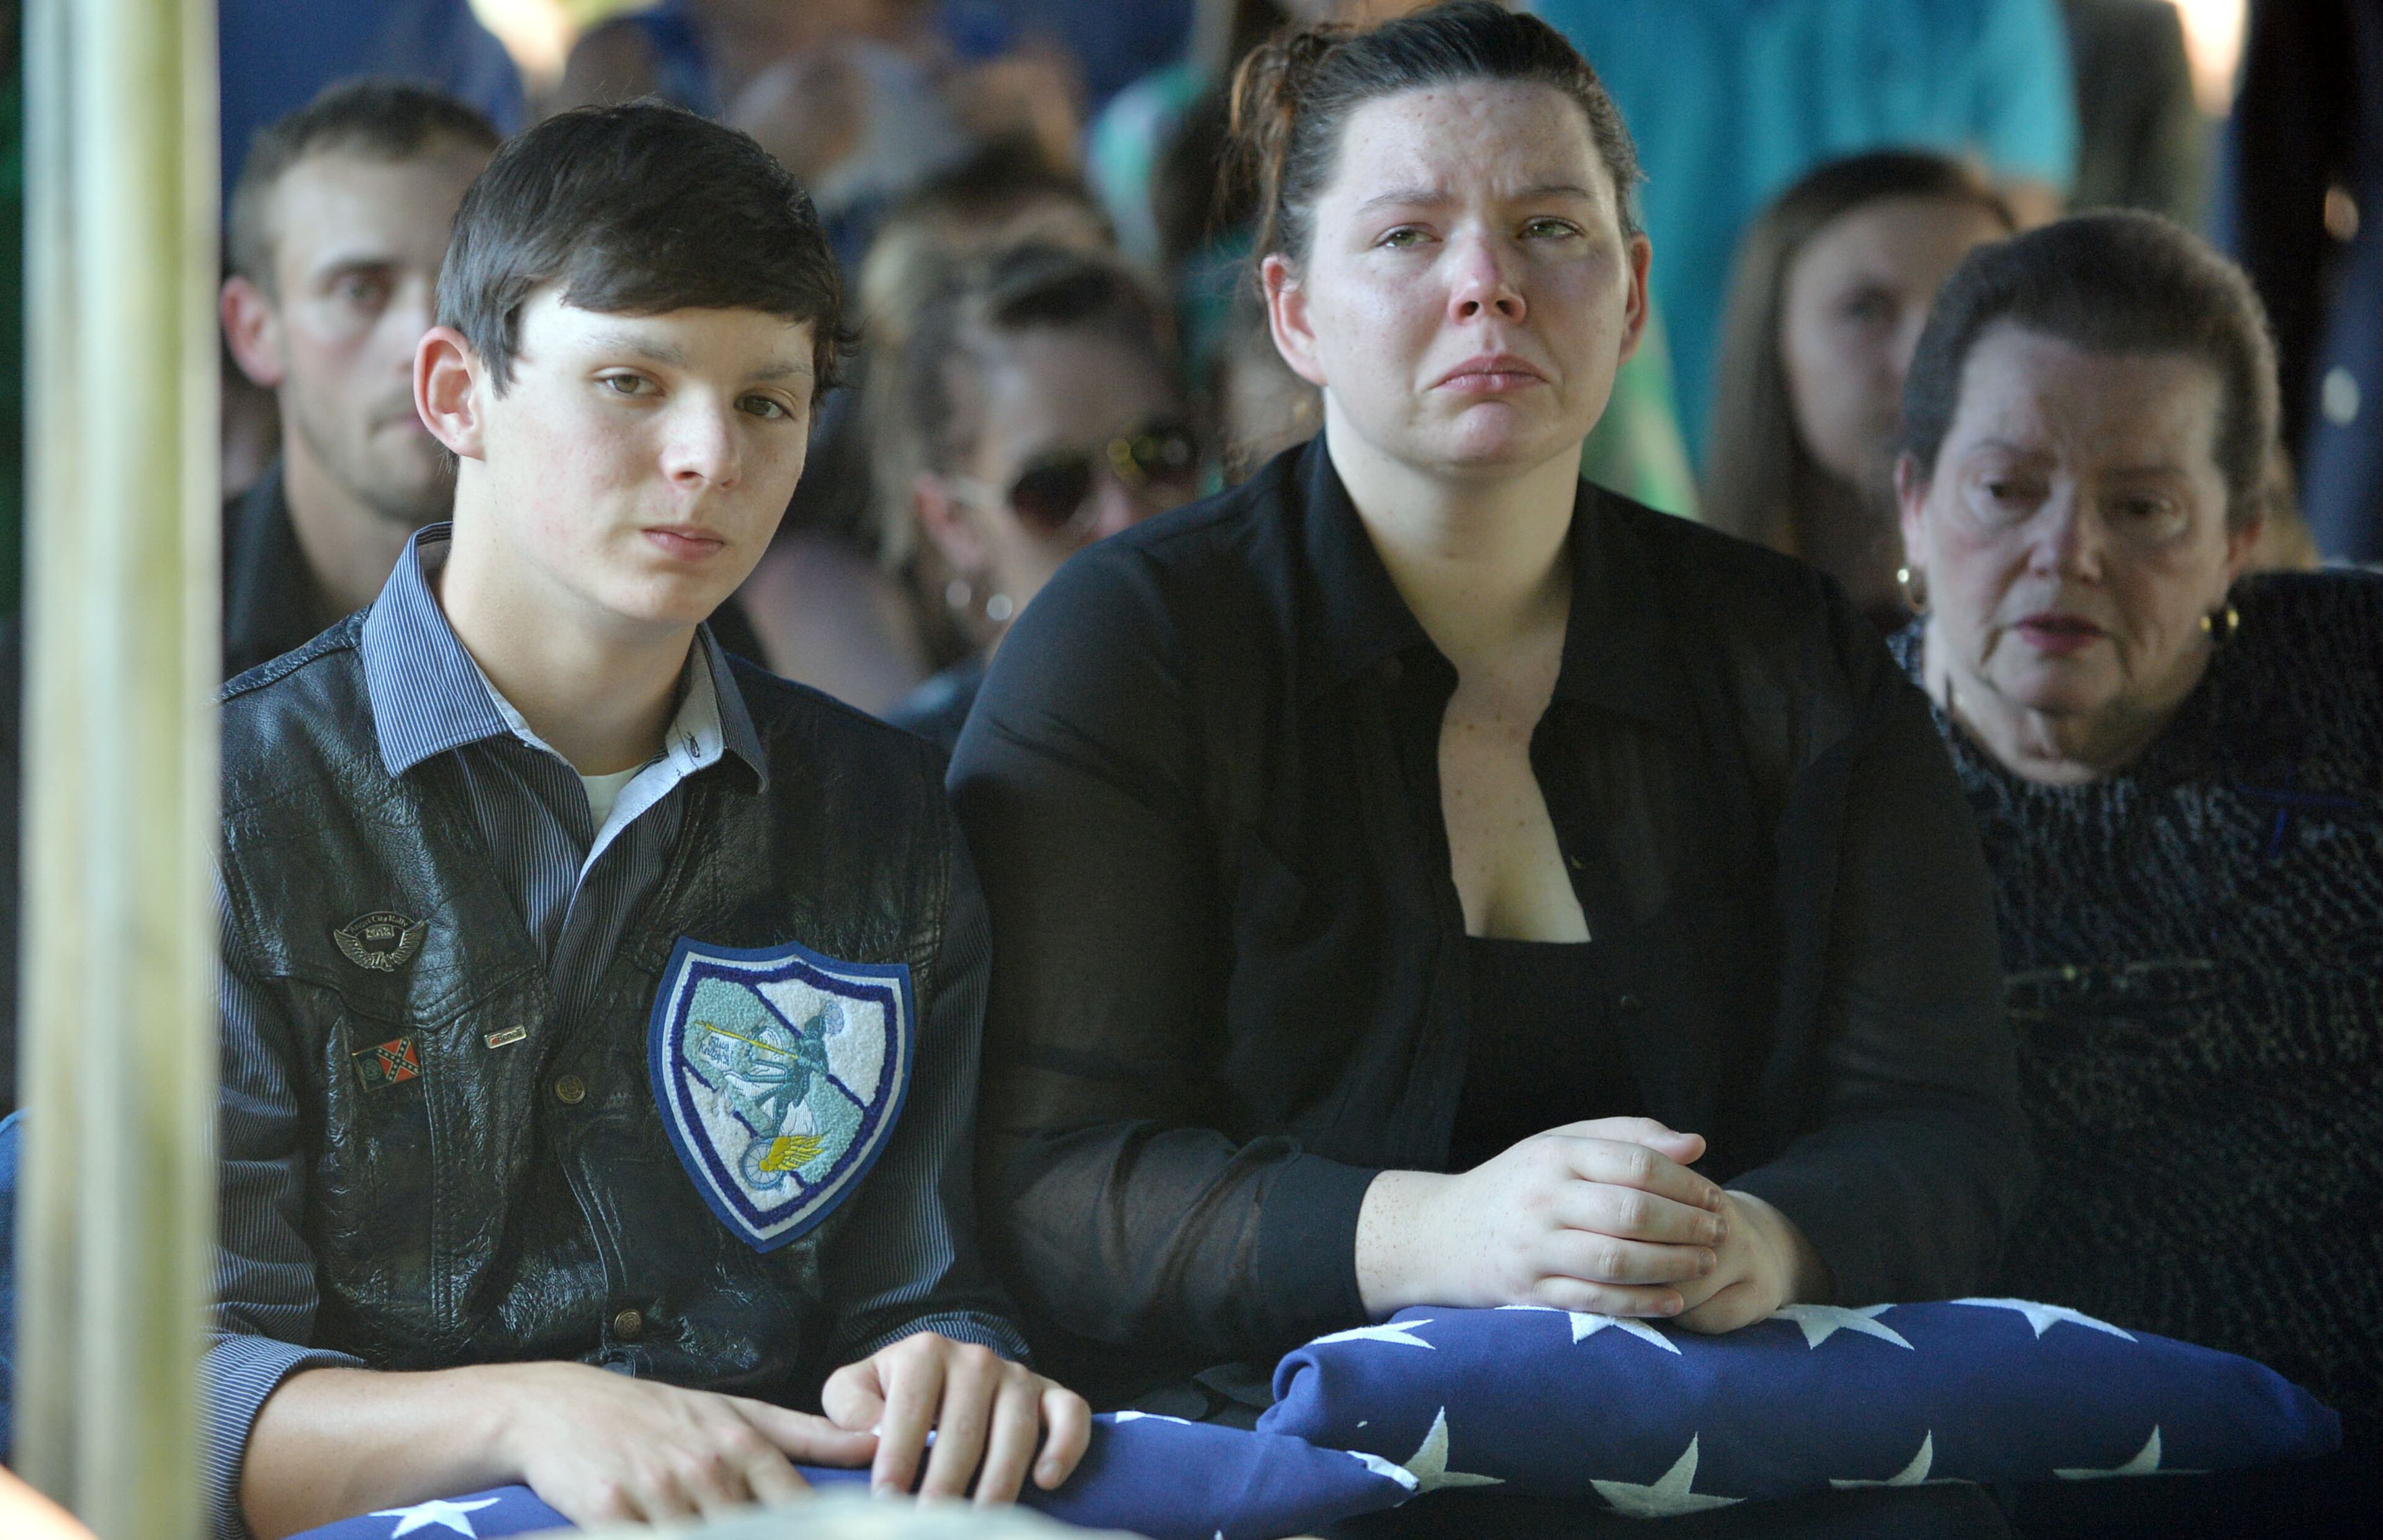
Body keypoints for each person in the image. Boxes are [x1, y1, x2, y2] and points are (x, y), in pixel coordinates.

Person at [951, 0, 2029, 1441]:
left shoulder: (1795, 659)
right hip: (1276, 1468)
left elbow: (1949, 1125)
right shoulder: (1128, 645)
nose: (1487, 284)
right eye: (1404, 236)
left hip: (1735, 1453)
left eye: (1549, 229)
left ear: (1633, 293)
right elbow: (1048, 1179)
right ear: (1292, 312)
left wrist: (1757, 1241)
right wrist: (1439, 1233)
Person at [210, 103, 1087, 1540]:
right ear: (455, 392)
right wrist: (527, 1406)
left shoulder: (885, 810)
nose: (706, 455)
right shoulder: (226, 809)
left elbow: (916, 1286)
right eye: (630, 380)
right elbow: (174, 1395)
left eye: (766, 400)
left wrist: (953, 1364)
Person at [1889, 211, 2382, 1531]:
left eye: (2143, 507)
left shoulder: (2359, 686)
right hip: (1954, 1464)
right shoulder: (1799, 775)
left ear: (2239, 540)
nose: (2069, 552)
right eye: (2009, 490)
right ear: (1916, 502)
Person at [1531, 0, 2076, 465]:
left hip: (1923, 460)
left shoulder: (1977, 11)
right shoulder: (1576, 15)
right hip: (1653, 462)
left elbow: (2016, 277)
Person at [218, 79, 501, 679]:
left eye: (466, 288)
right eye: (358, 291)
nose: (426, 342)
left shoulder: (643, 611)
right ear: (255, 332)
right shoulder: (115, 646)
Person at [878, 243, 1201, 753]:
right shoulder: (908, 789)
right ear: (953, 522)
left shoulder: (1299, 697)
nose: (1124, 517)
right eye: (1053, 490)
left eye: (1157, 453)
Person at [1704, 152, 2015, 630]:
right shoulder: (1669, 633)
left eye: (1973, 310)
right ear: (1773, 347)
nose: (1929, 362)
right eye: (1866, 310)